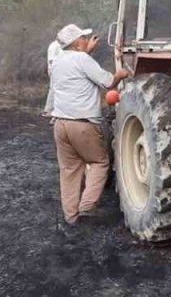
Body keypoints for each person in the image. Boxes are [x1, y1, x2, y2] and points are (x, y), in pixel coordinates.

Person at [48, 23, 128, 227]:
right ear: (76, 43)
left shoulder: (57, 62)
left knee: (69, 170)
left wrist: (87, 53)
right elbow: (108, 82)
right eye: (83, 38)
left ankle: (71, 217)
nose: (87, 40)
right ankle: (86, 208)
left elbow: (76, 68)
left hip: (60, 124)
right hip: (82, 125)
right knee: (99, 162)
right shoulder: (83, 59)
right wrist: (121, 75)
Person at [42, 39, 62, 117]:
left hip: (59, 70)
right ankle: (48, 110)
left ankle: (53, 110)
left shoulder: (61, 46)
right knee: (54, 89)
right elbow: (52, 60)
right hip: (55, 70)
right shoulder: (54, 46)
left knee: (56, 89)